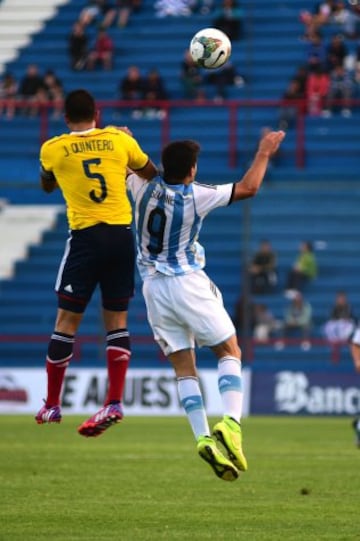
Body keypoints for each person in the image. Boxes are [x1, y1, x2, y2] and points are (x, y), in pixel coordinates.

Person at [127, 129, 285, 480]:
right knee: (229, 350)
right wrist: (263, 152)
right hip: (186, 282)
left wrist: (129, 141)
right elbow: (249, 188)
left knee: (184, 366)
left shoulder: (140, 188)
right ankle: (231, 424)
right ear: (193, 170)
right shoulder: (196, 196)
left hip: (152, 288)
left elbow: (135, 166)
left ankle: (201, 437)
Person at [35, 89, 157, 436]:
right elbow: (150, 172)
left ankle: (52, 405)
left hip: (86, 240)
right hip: (120, 237)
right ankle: (115, 400)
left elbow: (46, 185)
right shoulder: (118, 140)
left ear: (65, 117)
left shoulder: (53, 148)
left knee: (66, 322)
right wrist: (123, 149)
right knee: (117, 321)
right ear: (97, 114)